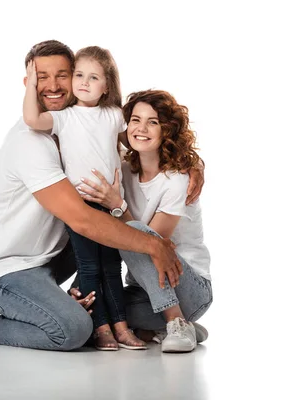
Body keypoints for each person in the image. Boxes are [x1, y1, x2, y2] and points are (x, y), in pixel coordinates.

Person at [0, 40, 204, 351]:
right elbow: (82, 219)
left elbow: (139, 142)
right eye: (42, 77)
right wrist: (153, 245)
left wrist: (191, 162)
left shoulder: (85, 126)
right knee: (73, 330)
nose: (53, 85)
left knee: (118, 268)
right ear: (28, 82)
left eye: (63, 74)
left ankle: (107, 316)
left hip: (50, 261)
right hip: (4, 269)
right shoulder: (31, 142)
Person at [22, 46, 145, 351]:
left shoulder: (115, 116)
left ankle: (121, 326)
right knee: (89, 269)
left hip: (111, 203)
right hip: (81, 205)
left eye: (93, 78)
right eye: (79, 75)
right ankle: (100, 327)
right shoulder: (64, 117)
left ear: (107, 87)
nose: (84, 82)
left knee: (111, 268)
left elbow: (136, 144)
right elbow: (32, 120)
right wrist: (31, 83)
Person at [77, 89, 212, 352]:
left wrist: (118, 205)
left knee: (138, 232)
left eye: (153, 122)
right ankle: (165, 326)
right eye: (135, 120)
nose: (142, 128)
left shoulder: (178, 180)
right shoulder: (123, 169)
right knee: (90, 311)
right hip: (146, 293)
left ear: (167, 130)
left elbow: (149, 242)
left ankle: (177, 322)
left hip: (190, 288)